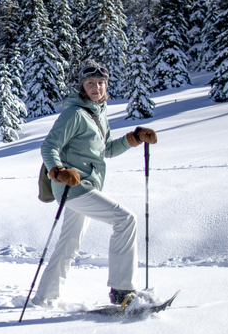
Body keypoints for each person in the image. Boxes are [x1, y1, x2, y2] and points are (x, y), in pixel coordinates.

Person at [33, 59, 158, 306]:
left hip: (86, 186)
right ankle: (122, 291)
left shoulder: (98, 114)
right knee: (125, 219)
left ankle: (45, 298)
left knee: (68, 244)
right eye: (90, 82)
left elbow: (107, 149)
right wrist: (58, 170)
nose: (96, 87)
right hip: (73, 187)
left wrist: (134, 138)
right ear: (82, 86)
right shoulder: (75, 114)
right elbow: (49, 146)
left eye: (101, 82)